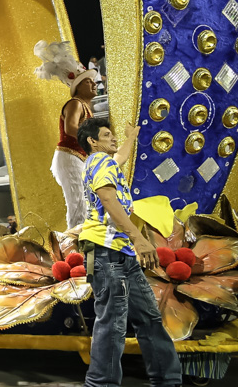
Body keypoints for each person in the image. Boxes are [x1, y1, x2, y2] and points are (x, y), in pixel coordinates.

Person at [77, 118, 181, 387]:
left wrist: (130, 137)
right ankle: (101, 384)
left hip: (117, 252)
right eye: (106, 134)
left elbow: (120, 157)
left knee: (148, 317)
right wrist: (138, 238)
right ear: (92, 141)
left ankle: (168, 380)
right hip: (106, 251)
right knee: (112, 323)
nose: (112, 138)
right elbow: (108, 198)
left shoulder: (101, 162)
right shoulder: (101, 162)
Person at [34, 40, 98, 229]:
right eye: (89, 81)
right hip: (69, 157)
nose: (94, 84)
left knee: (84, 203)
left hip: (77, 158)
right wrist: (94, 142)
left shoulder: (86, 107)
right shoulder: (75, 103)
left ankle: (83, 244)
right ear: (78, 86)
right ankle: (75, 249)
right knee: (78, 203)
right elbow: (70, 128)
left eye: (93, 81)